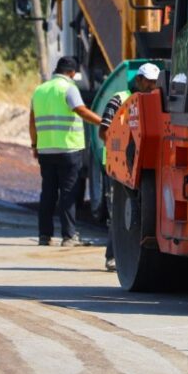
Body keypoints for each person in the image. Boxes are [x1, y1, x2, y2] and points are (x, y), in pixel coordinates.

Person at [29, 56, 102, 247]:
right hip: (68, 149)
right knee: (68, 193)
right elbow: (81, 110)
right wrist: (103, 122)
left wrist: (34, 145)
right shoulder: (69, 88)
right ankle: (69, 236)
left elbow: (32, 121)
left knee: (48, 193)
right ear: (71, 72)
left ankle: (44, 235)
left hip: (46, 150)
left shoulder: (39, 90)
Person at [98, 63, 161, 272]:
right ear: (139, 80)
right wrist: (117, 154)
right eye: (149, 82)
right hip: (120, 164)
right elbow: (104, 130)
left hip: (142, 164)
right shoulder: (120, 98)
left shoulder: (156, 100)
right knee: (118, 211)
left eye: (155, 82)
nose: (152, 86)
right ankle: (112, 256)